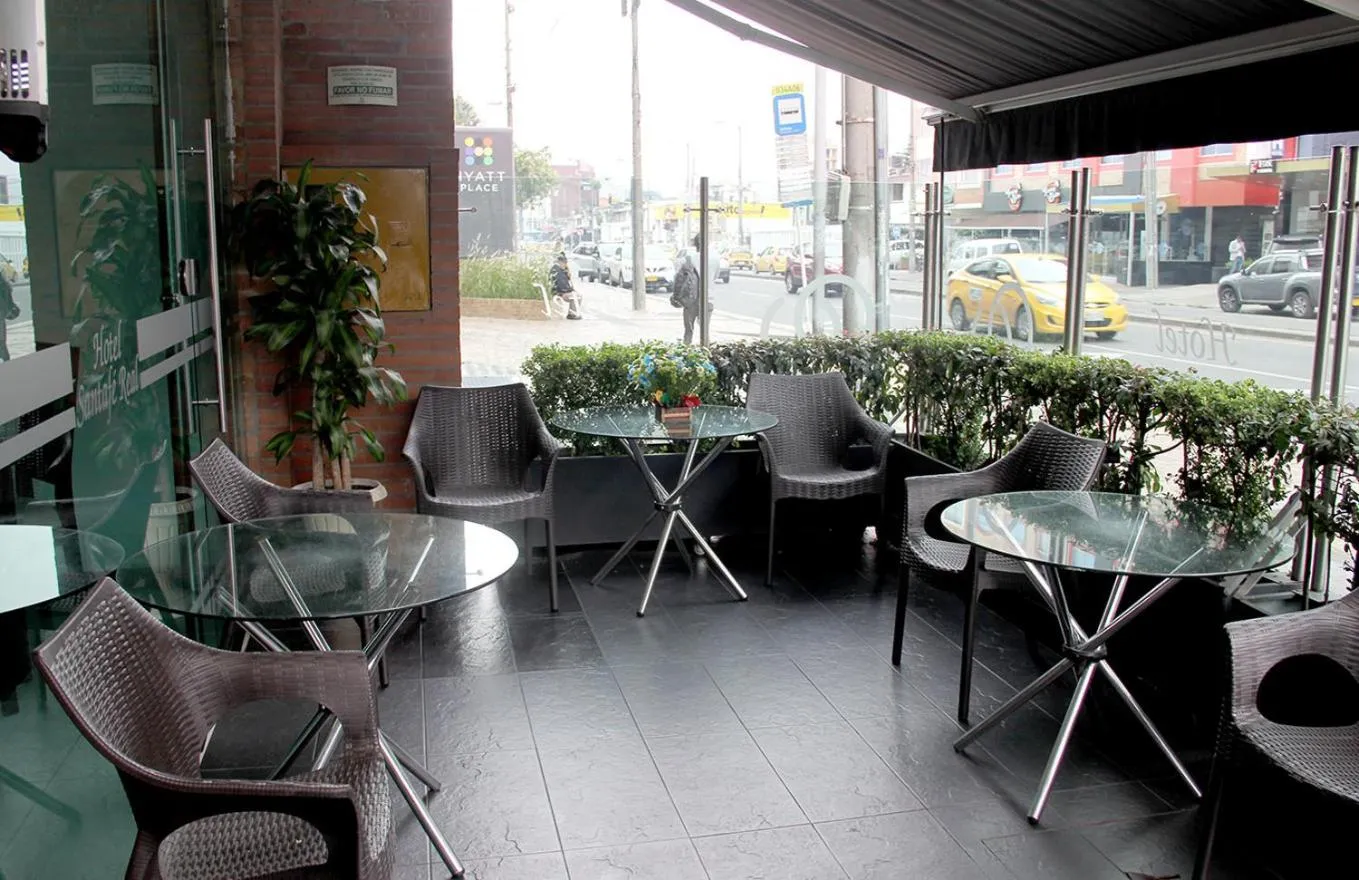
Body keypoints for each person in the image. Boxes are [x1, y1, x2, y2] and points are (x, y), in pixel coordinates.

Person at [675, 234, 717, 344]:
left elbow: (679, 277)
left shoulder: (687, 260)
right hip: (708, 298)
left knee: (688, 332)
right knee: (705, 331)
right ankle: (705, 350)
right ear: (707, 243)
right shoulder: (715, 259)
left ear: (695, 244)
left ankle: (686, 351)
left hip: (690, 300)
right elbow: (715, 276)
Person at [550, 253, 582, 320]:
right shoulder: (557, 271)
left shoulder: (561, 270)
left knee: (578, 295)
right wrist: (569, 290)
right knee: (576, 296)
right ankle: (572, 314)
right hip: (559, 292)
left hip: (562, 291)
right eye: (565, 263)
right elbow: (561, 285)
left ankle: (572, 312)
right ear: (560, 262)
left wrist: (568, 276)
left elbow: (566, 283)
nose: (566, 265)